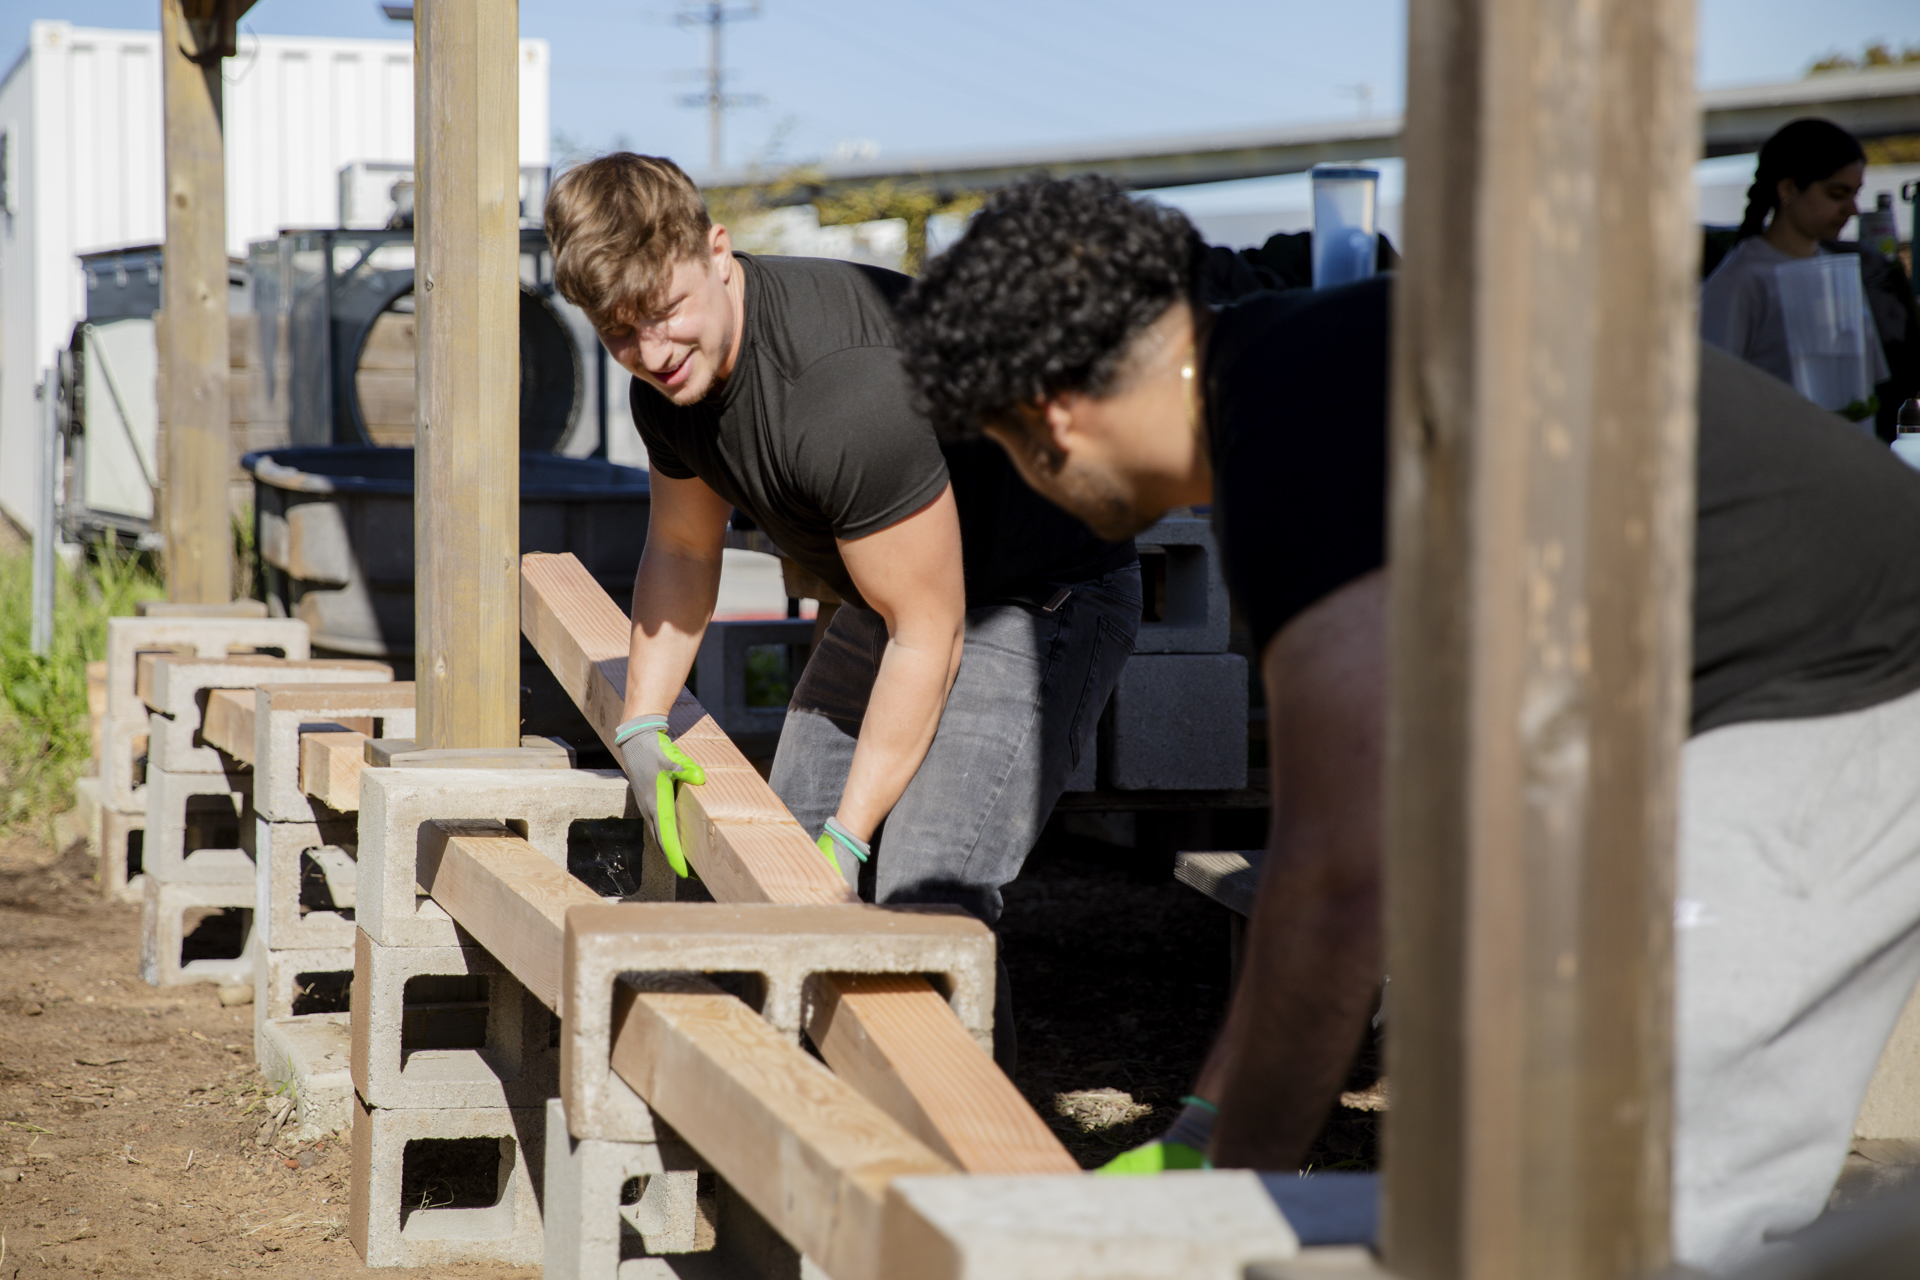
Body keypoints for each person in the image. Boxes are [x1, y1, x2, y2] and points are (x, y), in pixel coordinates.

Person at [897, 175, 1920, 1271]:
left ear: (1049, 413)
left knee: (1634, 1201)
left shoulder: (1293, 430)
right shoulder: (1297, 372)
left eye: (1004, 447)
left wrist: (1221, 1205)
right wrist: (1205, 1131)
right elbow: (1336, 846)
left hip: (1829, 684)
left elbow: (1342, 882)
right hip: (1736, 696)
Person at [542, 156, 1141, 1069]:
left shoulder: (843, 391)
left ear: (716, 249)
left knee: (922, 901)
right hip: (896, 598)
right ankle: (821, 1153)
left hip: (1037, 593)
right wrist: (644, 717)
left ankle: (972, 1179)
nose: (651, 352)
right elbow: (683, 549)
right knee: (777, 867)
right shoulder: (668, 393)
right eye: (618, 332)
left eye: (663, 314)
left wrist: (848, 837)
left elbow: (932, 635)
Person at [1700, 117, 1889, 398]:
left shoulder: (1839, 272)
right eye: (1836, 194)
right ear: (1788, 189)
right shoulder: (1741, 279)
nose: (1852, 209)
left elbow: (1866, 386)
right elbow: (1710, 390)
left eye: (1855, 194)